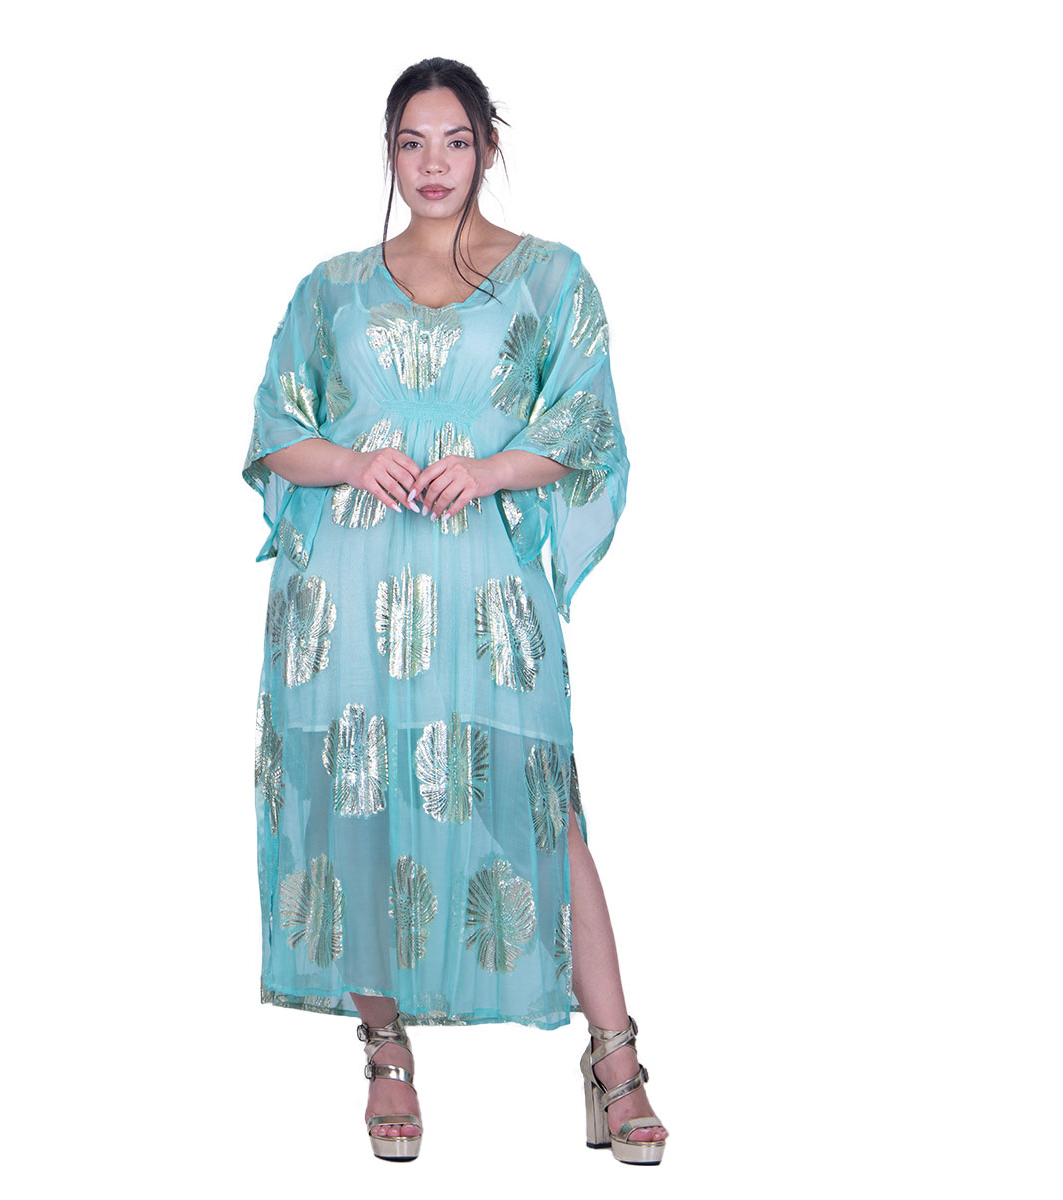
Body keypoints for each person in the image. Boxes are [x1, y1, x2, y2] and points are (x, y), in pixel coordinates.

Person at [243, 56, 669, 1165]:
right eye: (411, 142)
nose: (433, 165)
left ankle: (615, 1056)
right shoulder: (332, 287)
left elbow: (586, 426)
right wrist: (352, 460)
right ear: (389, 152)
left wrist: (487, 471)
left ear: (487, 147)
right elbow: (274, 431)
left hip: (484, 590)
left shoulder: (548, 278)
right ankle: (385, 1051)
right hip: (346, 592)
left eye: (455, 141)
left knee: (541, 808)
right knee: (360, 805)